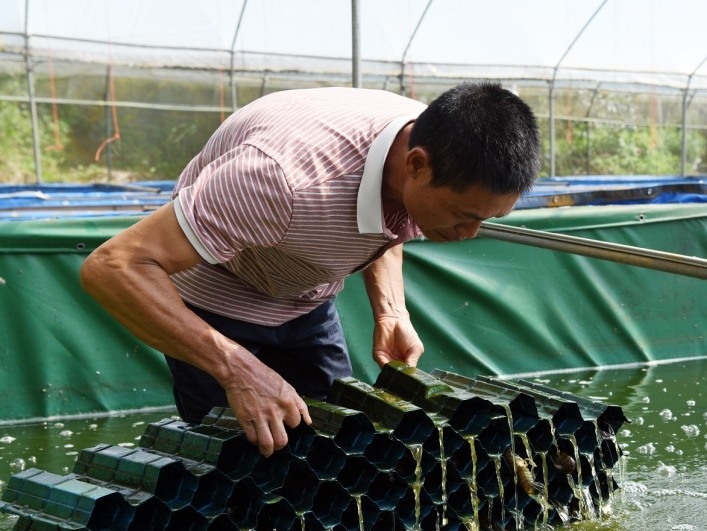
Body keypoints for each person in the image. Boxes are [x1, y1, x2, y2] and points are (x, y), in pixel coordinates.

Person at [80, 81, 541, 457]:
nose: (470, 233)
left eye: (487, 218)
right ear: (416, 164)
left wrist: (391, 310)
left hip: (308, 298)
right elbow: (113, 266)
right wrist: (236, 368)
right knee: (240, 469)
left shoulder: (433, 139)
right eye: (464, 216)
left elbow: (394, 214)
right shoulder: (278, 179)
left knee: (340, 451)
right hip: (216, 303)